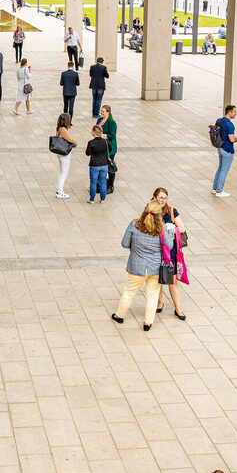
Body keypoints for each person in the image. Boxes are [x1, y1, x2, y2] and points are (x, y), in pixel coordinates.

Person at [112, 201, 173, 331]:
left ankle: (119, 315)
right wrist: (170, 231)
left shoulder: (134, 225)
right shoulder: (161, 229)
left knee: (128, 292)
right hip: (155, 268)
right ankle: (147, 323)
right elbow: (169, 245)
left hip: (136, 267)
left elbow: (124, 243)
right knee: (152, 295)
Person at [152, 188, 186, 320]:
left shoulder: (171, 211)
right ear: (154, 197)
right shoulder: (150, 211)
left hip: (170, 252)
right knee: (157, 280)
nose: (163, 200)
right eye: (161, 197)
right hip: (156, 251)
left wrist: (173, 229)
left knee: (172, 281)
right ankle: (159, 303)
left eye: (165, 198)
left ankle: (178, 308)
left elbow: (182, 228)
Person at [212, 105, 237, 198]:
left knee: (220, 167)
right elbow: (231, 139)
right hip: (227, 149)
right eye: (234, 112)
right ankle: (219, 190)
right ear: (230, 112)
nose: (235, 113)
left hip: (220, 147)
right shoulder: (229, 124)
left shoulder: (219, 121)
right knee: (224, 170)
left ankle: (215, 187)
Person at [53, 113, 77, 199]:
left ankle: (59, 189)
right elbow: (69, 139)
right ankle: (60, 191)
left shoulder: (59, 128)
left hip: (60, 154)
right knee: (64, 173)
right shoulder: (63, 130)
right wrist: (75, 143)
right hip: (64, 154)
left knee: (61, 172)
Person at [85, 125, 109, 203]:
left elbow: (87, 153)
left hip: (94, 165)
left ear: (94, 132)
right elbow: (110, 149)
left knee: (93, 182)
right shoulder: (105, 141)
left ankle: (92, 199)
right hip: (104, 164)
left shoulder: (91, 142)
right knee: (103, 182)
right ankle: (103, 199)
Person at [98, 104, 118, 193]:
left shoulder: (111, 122)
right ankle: (100, 184)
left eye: (103, 112)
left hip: (110, 147)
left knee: (110, 166)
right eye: (101, 111)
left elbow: (112, 135)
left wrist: (103, 135)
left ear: (108, 112)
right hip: (101, 146)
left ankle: (111, 185)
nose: (101, 113)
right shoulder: (99, 120)